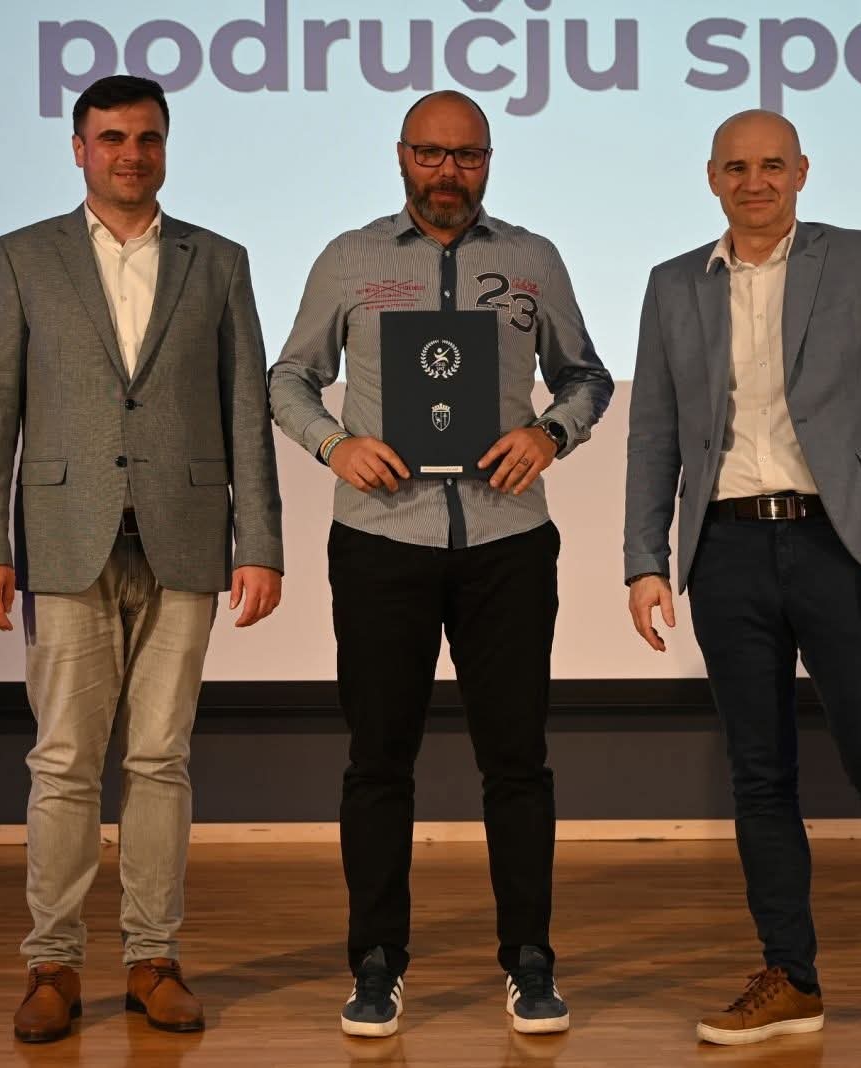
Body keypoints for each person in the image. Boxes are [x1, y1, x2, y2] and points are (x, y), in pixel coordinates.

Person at [622, 110, 861, 1049]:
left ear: (802, 172)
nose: (754, 182)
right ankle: (789, 976)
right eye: (736, 167)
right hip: (726, 551)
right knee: (760, 775)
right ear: (712, 177)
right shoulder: (673, 283)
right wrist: (645, 560)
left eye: (772, 165)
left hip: (840, 547)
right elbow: (654, 433)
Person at [268, 90, 613, 1038]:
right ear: (401, 156)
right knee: (378, 763)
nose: (448, 172)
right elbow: (288, 377)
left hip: (507, 542)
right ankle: (376, 964)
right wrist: (334, 444)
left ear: (489, 160)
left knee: (519, 763)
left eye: (467, 155)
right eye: (430, 154)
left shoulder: (533, 260)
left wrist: (550, 434)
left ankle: (530, 960)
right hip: (383, 540)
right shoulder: (350, 259)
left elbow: (587, 376)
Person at [0, 75, 283, 1044]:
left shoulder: (217, 261)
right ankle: (52, 964)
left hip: (186, 536)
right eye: (111, 138)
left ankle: (153, 958)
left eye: (146, 138)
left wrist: (260, 543)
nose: (130, 154)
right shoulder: (23, 257)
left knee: (160, 759)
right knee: (63, 761)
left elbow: (245, 412)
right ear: (78, 148)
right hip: (64, 538)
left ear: (165, 147)